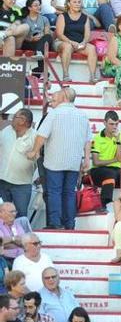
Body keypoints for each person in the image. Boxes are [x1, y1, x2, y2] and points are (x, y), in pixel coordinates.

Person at [27, 88, 90, 231]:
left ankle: (55, 223)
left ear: (64, 97)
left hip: (55, 160)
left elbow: (41, 135)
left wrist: (34, 151)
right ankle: (69, 224)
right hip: (73, 162)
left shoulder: (54, 114)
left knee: (55, 192)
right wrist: (86, 158)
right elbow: (88, 140)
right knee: (69, 193)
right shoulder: (82, 115)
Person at [0, 110, 36, 218]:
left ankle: (20, 235)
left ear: (23, 121)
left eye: (15, 116)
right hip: (2, 181)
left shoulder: (35, 136)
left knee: (21, 216)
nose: (12, 119)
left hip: (22, 184)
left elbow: (38, 158)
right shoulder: (7, 130)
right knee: (1, 215)